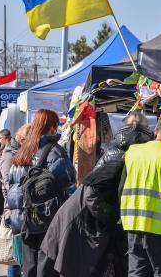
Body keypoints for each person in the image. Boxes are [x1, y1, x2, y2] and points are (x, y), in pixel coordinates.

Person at [38, 111, 154, 277]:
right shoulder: (123, 156)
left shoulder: (118, 151)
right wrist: (117, 218)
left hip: (80, 217)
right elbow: (92, 197)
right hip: (81, 221)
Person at [7, 109, 76, 277]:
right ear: (51, 127)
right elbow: (68, 180)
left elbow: (12, 186)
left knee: (29, 267)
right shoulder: (54, 151)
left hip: (24, 219)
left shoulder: (22, 151)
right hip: (47, 217)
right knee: (46, 267)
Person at [120, 114, 161, 277]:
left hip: (133, 224)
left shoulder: (133, 151)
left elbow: (121, 187)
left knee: (138, 271)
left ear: (156, 130)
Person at [0, 124, 31, 277]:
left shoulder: (21, 153)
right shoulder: (10, 155)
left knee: (20, 255)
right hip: (14, 210)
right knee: (15, 255)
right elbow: (7, 185)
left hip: (22, 210)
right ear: (23, 139)